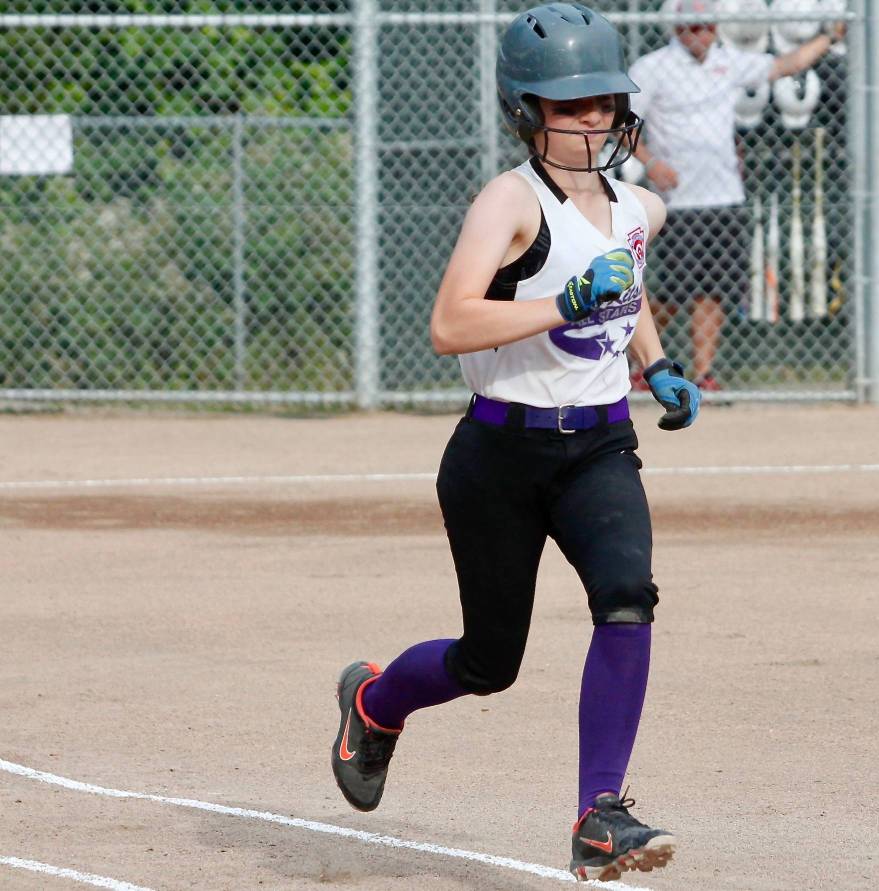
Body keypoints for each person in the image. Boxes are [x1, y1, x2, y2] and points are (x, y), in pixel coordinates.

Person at [329, 3, 700, 883]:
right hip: (498, 455)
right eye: (567, 107)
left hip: (600, 445)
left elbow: (626, 285)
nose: (591, 121)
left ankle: (599, 815)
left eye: (603, 102)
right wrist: (563, 304)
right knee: (488, 661)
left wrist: (656, 362)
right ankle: (375, 703)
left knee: (627, 594)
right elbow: (451, 322)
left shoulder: (637, 200)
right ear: (524, 113)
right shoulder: (509, 200)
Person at [629, 0, 843, 395]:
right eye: (692, 27)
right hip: (679, 200)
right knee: (673, 294)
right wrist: (651, 163)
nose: (701, 33)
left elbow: (787, 65)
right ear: (676, 30)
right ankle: (639, 363)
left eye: (707, 26)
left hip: (725, 194)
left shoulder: (728, 61)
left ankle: (704, 372)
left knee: (713, 290)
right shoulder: (653, 67)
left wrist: (830, 36)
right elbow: (624, 123)